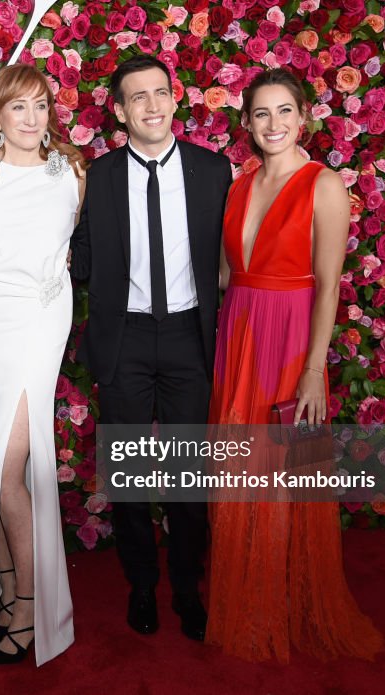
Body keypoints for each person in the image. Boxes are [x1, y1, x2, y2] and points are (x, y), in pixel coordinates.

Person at [205, 68, 384, 662]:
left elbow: (330, 286)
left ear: (303, 117)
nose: (274, 124)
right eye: (261, 114)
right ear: (248, 125)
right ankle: (248, 596)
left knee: (291, 475)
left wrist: (313, 370)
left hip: (293, 345)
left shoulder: (325, 184)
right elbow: (228, 274)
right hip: (240, 335)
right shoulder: (239, 185)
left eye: (284, 112)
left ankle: (290, 601)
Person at [69, 56, 232, 642]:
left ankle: (187, 587)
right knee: (131, 479)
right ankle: (141, 585)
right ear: (119, 111)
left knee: (191, 480)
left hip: (191, 338)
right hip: (126, 340)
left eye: (160, 93)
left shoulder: (214, 172)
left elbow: (233, 257)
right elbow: (78, 260)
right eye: (138, 97)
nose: (153, 105)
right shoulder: (98, 177)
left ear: (174, 98)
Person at [0, 64, 86, 666]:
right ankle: (7, 590)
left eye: (41, 107)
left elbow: (68, 251)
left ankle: (28, 604)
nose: (32, 120)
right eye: (19, 107)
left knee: (7, 469)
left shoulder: (72, 174)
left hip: (35, 327)